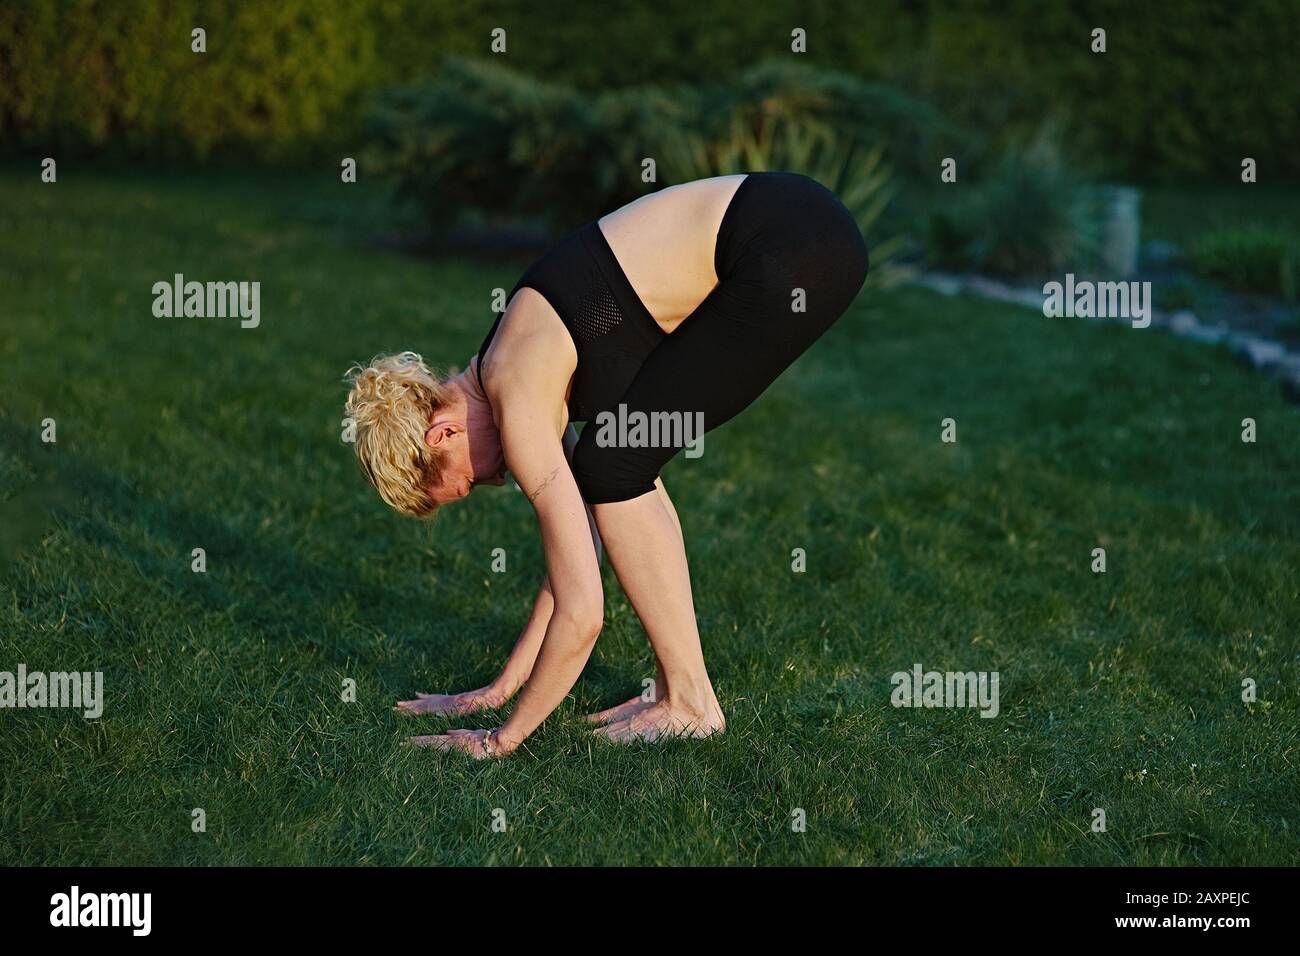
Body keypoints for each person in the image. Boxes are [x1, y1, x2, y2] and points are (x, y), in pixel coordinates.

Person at [344, 172, 869, 757]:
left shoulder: (515, 389)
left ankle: (690, 704)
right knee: (614, 462)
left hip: (790, 245)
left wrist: (499, 740)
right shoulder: (508, 357)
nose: (493, 482)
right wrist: (497, 691)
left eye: (467, 481)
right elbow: (576, 557)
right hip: (803, 227)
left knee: (613, 466)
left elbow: (583, 613)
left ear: (442, 432)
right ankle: (683, 695)